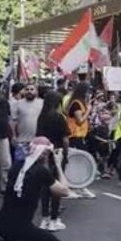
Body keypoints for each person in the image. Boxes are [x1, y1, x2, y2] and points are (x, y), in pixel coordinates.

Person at [0, 137, 68, 241]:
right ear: (45, 154)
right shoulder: (41, 172)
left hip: (1, 223)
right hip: (21, 227)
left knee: (17, 233)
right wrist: (58, 165)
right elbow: (64, 191)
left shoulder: (17, 166)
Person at [36, 91, 70, 230]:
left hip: (43, 152)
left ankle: (45, 218)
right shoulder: (59, 118)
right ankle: (54, 219)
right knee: (57, 186)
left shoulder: (41, 117)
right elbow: (65, 139)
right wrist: (66, 153)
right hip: (57, 153)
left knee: (45, 186)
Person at [12, 82, 43, 150]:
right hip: (21, 141)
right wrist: (13, 136)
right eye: (27, 89)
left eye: (32, 89)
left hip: (38, 141)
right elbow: (13, 122)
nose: (29, 91)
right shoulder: (17, 104)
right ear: (24, 91)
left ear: (36, 91)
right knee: (21, 160)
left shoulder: (42, 103)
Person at [66, 82, 91, 149]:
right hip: (75, 136)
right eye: (88, 92)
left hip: (81, 135)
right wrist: (88, 110)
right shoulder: (76, 104)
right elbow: (79, 121)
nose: (89, 94)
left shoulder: (82, 103)